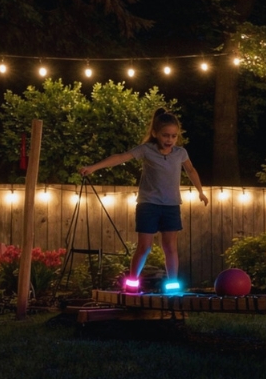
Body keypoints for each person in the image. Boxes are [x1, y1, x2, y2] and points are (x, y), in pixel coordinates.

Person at [79, 107, 208, 292]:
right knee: (144, 246)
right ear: (155, 133)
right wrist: (94, 167)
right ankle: (132, 282)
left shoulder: (180, 153)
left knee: (170, 246)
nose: (170, 140)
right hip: (148, 204)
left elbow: (191, 170)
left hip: (171, 206)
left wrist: (200, 191)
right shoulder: (146, 150)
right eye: (165, 135)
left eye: (173, 136)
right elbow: (121, 157)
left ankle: (172, 285)